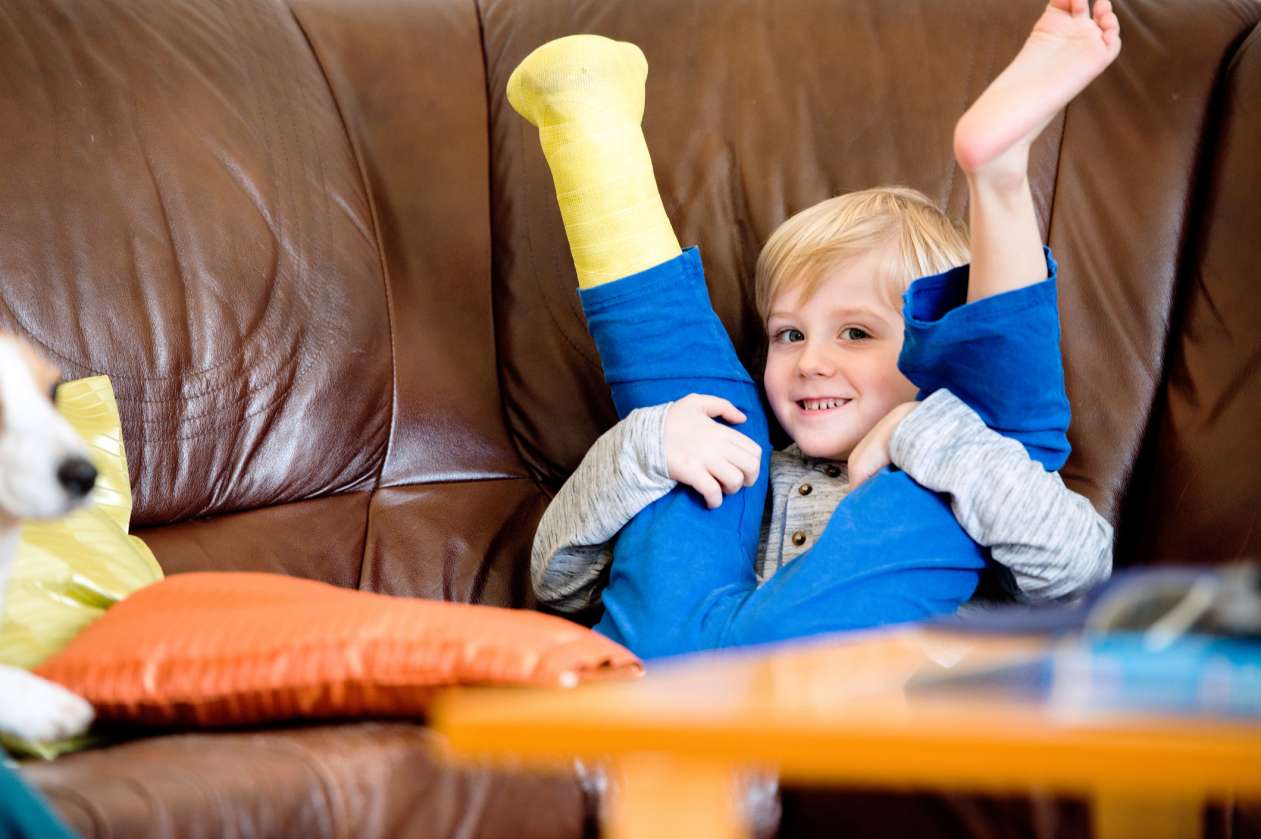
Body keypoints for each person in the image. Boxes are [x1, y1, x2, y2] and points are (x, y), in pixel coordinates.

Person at [510, 0, 1122, 658]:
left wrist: (924, 432)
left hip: (830, 706)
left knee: (979, 435)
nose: (810, 361)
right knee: (702, 424)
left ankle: (998, 176)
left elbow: (1075, 567)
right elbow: (557, 582)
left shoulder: (960, 468)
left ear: (927, 351)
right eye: (788, 334)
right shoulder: (736, 462)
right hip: (664, 671)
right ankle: (588, 126)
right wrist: (642, 448)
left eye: (855, 333)